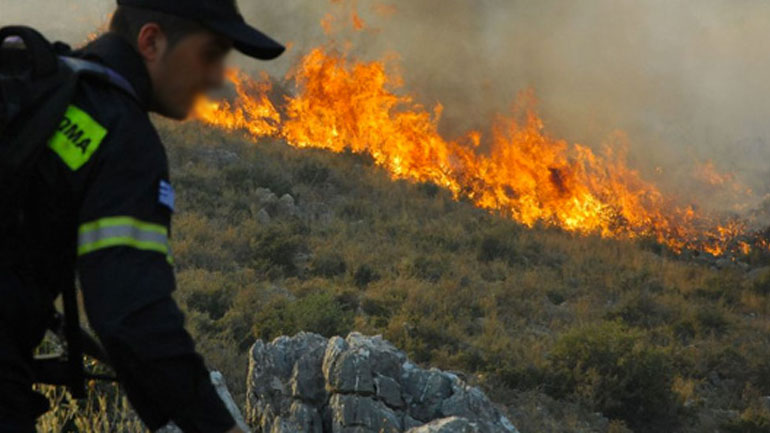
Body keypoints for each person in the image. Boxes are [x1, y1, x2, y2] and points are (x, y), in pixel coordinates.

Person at [0, 1, 284, 432]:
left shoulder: (40, 89)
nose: (216, 78)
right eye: (209, 55)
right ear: (151, 40)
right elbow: (133, 319)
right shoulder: (119, 132)